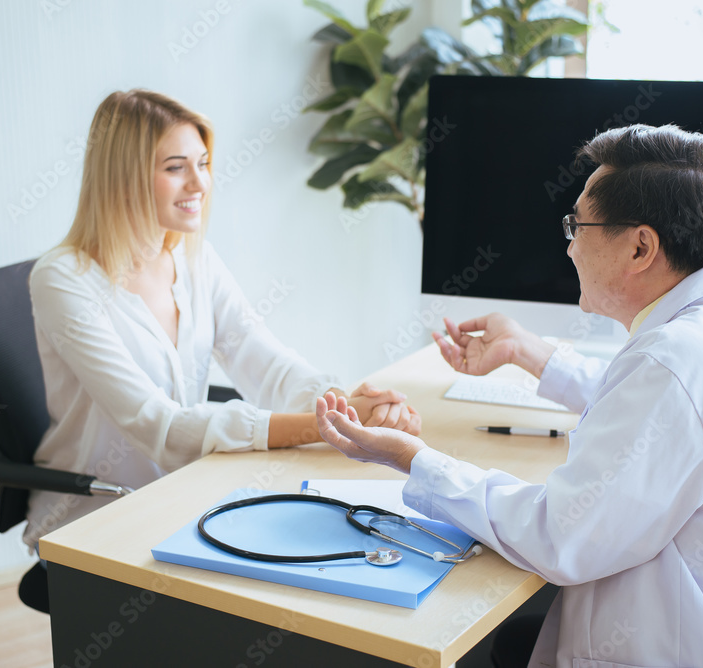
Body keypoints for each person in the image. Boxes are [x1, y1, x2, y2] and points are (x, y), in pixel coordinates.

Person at [315, 124, 703, 667]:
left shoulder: (672, 365)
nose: (568, 244)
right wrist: (529, 351)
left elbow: (558, 536)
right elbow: (670, 419)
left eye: (577, 224)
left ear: (640, 246)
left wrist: (409, 457)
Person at [23, 89, 420, 551]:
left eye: (203, 163)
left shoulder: (193, 260)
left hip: (185, 499)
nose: (199, 184)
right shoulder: (62, 280)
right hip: (96, 523)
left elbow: (265, 362)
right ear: (123, 178)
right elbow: (160, 427)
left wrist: (342, 408)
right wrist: (324, 428)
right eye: (176, 168)